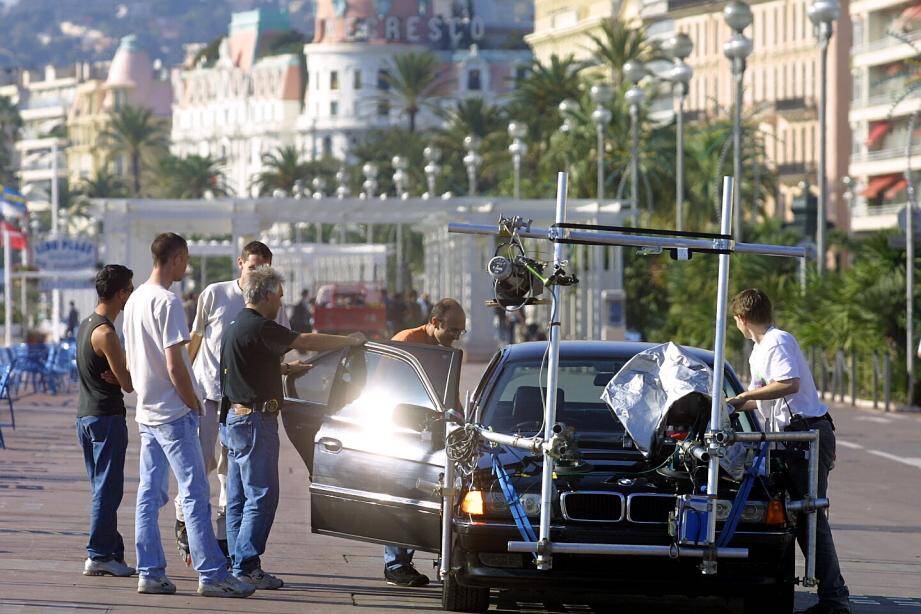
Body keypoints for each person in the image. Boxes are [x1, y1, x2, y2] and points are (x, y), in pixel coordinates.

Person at [123, 232, 254, 598]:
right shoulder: (166, 301)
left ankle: (149, 571)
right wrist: (193, 404)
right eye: (186, 259)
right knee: (196, 491)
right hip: (174, 411)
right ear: (176, 258)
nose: (188, 266)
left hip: (147, 411)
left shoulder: (134, 299)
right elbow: (175, 364)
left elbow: (134, 358)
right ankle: (212, 574)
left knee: (149, 494)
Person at [220, 265, 364, 589]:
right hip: (256, 421)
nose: (281, 303)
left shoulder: (236, 325)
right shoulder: (260, 326)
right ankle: (246, 565)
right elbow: (305, 339)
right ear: (268, 294)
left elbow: (241, 371)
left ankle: (236, 563)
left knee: (240, 497)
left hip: (235, 419)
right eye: (280, 296)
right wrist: (349, 340)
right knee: (262, 496)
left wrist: (284, 369)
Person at [726, 289, 850, 614]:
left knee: (809, 516)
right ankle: (830, 596)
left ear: (741, 318)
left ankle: (835, 599)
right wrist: (733, 404)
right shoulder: (760, 348)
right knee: (798, 517)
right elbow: (764, 395)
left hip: (805, 434)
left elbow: (788, 383)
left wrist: (741, 398)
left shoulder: (777, 341)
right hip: (791, 439)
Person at [181, 241, 289, 565]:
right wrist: (182, 387)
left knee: (233, 478)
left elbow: (275, 347)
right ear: (240, 263)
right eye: (252, 265)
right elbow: (195, 340)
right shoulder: (214, 294)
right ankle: (187, 531)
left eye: (264, 268)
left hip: (241, 403)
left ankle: (225, 544)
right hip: (207, 396)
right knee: (200, 467)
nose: (257, 272)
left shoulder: (271, 304)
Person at [385, 297, 467, 587]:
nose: (457, 336)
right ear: (435, 322)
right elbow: (387, 385)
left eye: (461, 332)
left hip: (433, 434)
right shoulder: (408, 341)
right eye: (454, 330)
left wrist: (461, 423)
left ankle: (432, 558)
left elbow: (451, 395)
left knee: (432, 496)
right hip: (403, 432)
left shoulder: (447, 352)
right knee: (404, 495)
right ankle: (395, 563)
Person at [76, 265, 136, 578]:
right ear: (120, 293)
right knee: (107, 490)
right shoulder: (107, 333)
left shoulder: (87, 324)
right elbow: (127, 382)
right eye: (130, 289)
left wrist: (120, 375)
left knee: (102, 487)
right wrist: (128, 374)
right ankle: (99, 554)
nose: (132, 295)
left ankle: (112, 550)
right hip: (106, 417)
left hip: (85, 416)